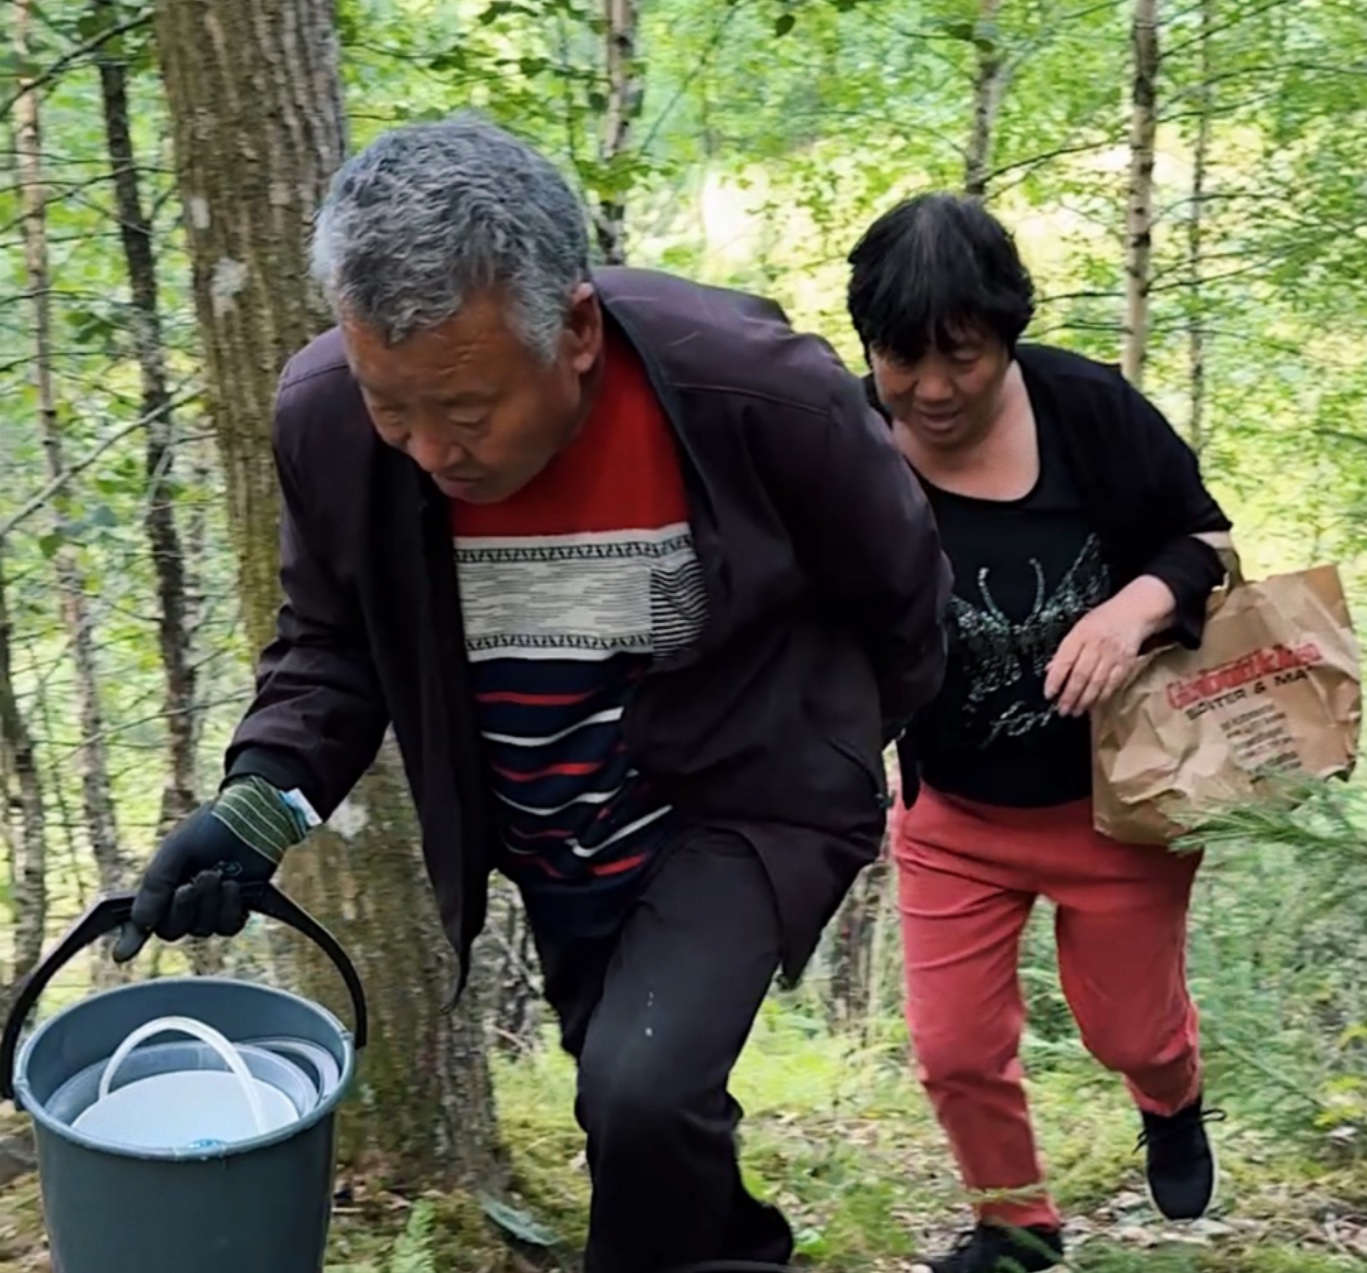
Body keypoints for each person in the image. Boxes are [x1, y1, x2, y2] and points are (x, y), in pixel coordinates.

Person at [111, 116, 952, 1273]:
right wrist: (255, 814)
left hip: (736, 807)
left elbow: (903, 597)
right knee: (637, 1113)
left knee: (640, 1090)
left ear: (575, 328)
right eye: (389, 406)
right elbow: (331, 647)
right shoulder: (325, 423)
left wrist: (830, 758)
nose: (428, 450)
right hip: (553, 840)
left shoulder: (752, 397)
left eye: (465, 410)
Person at [847, 193, 1234, 1273]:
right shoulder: (844, 437)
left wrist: (1129, 608)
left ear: (1004, 335)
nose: (930, 388)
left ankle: (1171, 1095)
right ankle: (1016, 1227)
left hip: (1115, 808)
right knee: (953, 1049)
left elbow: (1203, 539)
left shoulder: (1084, 410)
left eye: (959, 357)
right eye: (900, 357)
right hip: (950, 811)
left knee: (1127, 1030)